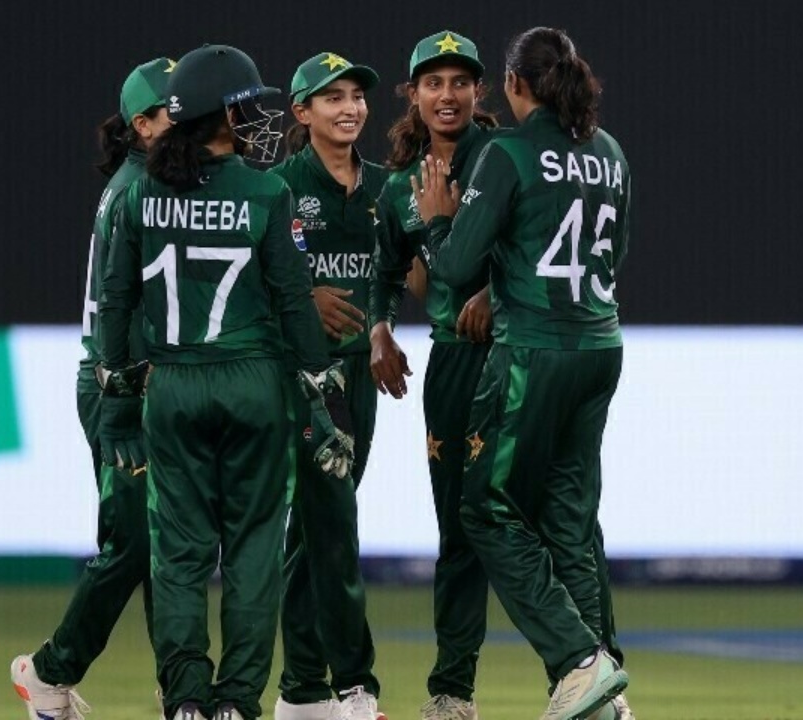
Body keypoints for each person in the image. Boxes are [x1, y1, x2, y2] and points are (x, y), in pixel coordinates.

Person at [98, 44, 355, 720]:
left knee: (179, 555)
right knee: (252, 553)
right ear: (222, 113)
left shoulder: (140, 192)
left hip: (171, 385)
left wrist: (117, 404)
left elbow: (115, 301)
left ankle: (186, 697)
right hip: (253, 386)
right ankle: (237, 701)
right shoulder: (268, 193)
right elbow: (295, 305)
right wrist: (325, 400)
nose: (256, 117)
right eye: (246, 106)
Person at [416, 26, 634, 720]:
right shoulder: (610, 152)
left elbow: (454, 268)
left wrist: (437, 221)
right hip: (600, 345)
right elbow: (614, 253)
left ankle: (578, 662)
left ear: (512, 84)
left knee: (485, 507)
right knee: (569, 521)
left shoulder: (507, 152)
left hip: (533, 351)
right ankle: (605, 698)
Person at [10, 56, 174, 720]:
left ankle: (181, 690)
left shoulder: (154, 184)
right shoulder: (141, 190)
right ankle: (48, 672)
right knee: (135, 543)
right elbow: (122, 308)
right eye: (178, 113)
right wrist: (123, 391)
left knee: (169, 545)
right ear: (143, 125)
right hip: (122, 381)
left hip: (143, 379)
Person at [368, 30, 499, 720]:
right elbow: (386, 273)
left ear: (479, 91)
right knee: (458, 531)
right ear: (413, 94)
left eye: (460, 82)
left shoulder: (506, 161)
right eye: (434, 83)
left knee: (549, 523)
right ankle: (453, 692)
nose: (447, 95)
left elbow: (541, 245)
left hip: (517, 354)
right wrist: (380, 327)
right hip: (451, 361)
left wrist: (497, 291)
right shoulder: (399, 188)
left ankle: (587, 672)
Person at [268, 52, 387, 720]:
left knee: (311, 534)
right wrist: (301, 295)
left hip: (361, 375)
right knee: (334, 528)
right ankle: (355, 685)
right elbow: (242, 284)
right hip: (307, 379)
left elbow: (407, 275)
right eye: (332, 97)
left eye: (356, 96)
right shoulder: (278, 188)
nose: (349, 108)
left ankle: (302, 691)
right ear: (302, 111)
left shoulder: (385, 187)